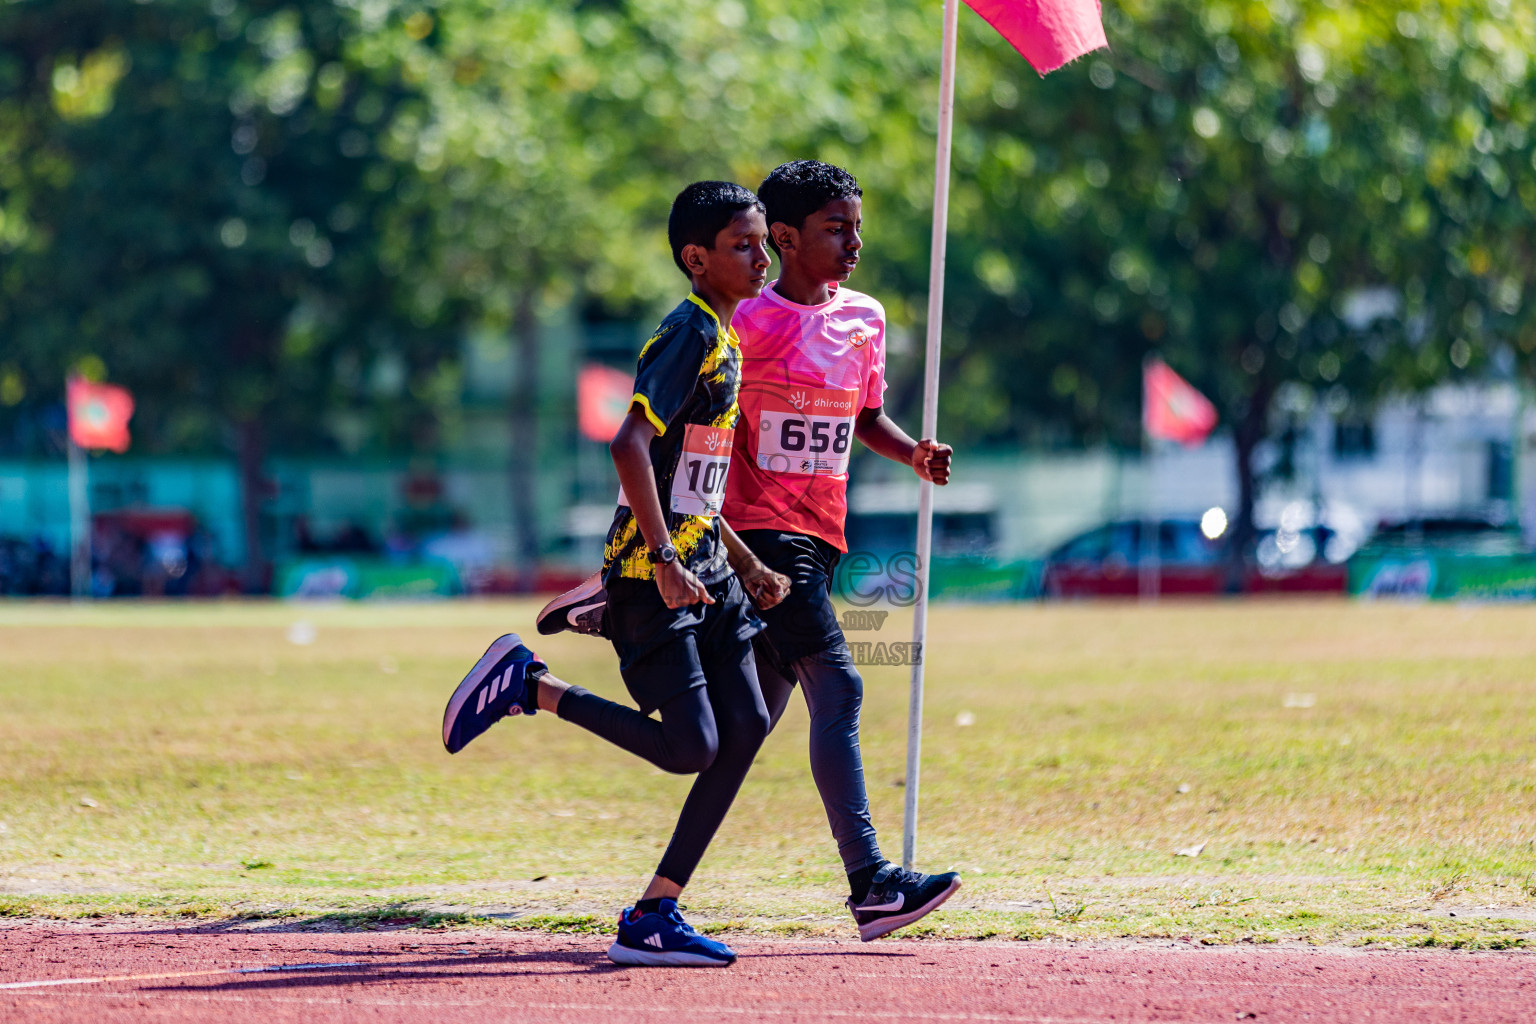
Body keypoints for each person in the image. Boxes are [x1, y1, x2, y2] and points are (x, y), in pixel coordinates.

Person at [540, 161, 960, 941]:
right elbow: (670, 438)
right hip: (757, 539)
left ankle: (657, 904)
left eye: (858, 227)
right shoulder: (734, 320)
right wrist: (683, 548)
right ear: (786, 237)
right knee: (840, 687)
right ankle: (871, 883)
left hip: (816, 539)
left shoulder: (864, 319)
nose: (855, 243)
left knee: (734, 739)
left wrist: (912, 455)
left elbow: (864, 416)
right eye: (838, 229)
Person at [442, 181, 788, 968]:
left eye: (764, 241)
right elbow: (629, 445)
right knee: (690, 747)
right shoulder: (687, 335)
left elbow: (687, 477)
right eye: (744, 245)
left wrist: (745, 561)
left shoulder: (727, 338)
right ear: (696, 258)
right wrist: (663, 562)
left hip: (710, 573)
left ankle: (657, 911)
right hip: (652, 572)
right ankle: (532, 685)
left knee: (748, 728)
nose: (761, 257)